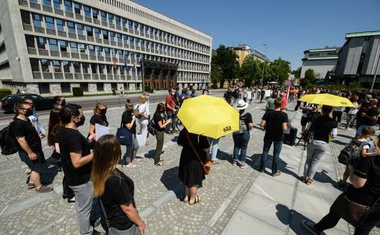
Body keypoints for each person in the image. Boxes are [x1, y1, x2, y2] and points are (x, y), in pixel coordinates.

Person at [302, 143, 380, 235]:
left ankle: (317, 228)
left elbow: (357, 183)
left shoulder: (370, 161)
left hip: (358, 198)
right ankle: (317, 228)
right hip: (377, 207)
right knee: (363, 229)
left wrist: (352, 172)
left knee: (336, 213)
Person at [92, 135, 146, 235]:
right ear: (115, 152)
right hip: (123, 226)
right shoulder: (117, 180)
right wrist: (141, 223)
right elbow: (128, 209)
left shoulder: (98, 170)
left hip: (108, 219)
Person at [56, 104, 96, 234]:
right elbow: (77, 162)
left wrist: (87, 141)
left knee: (80, 206)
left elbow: (72, 150)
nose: (83, 117)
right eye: (81, 115)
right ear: (74, 118)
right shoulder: (73, 136)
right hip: (81, 179)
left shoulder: (62, 130)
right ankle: (87, 232)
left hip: (72, 177)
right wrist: (96, 154)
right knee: (84, 209)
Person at [11, 100, 53, 193]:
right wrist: (30, 152)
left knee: (36, 167)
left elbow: (27, 134)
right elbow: (21, 139)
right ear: (20, 110)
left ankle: (31, 182)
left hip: (35, 148)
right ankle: (39, 187)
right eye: (28, 109)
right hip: (30, 151)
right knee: (36, 168)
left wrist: (37, 136)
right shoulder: (17, 124)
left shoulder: (26, 119)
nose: (31, 110)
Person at [301, 105, 338, 185]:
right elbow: (333, 135)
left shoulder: (315, 118)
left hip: (312, 140)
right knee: (315, 161)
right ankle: (310, 180)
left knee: (308, 160)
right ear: (331, 111)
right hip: (323, 143)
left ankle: (304, 177)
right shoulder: (333, 122)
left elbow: (308, 127)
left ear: (322, 109)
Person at [177, 128, 210, 205]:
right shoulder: (200, 133)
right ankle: (192, 199)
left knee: (187, 177)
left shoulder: (184, 131)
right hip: (196, 160)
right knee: (194, 180)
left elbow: (179, 143)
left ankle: (186, 197)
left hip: (185, 157)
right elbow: (206, 147)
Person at [259, 97, 290, 176]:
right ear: (282, 104)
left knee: (265, 151)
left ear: (274, 104)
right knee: (276, 154)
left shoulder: (268, 113)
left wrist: (269, 123)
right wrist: (289, 126)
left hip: (268, 135)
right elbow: (284, 128)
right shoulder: (284, 115)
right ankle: (274, 171)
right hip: (278, 136)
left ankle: (261, 168)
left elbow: (262, 124)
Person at [232, 100, 254, 169]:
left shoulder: (235, 114)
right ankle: (242, 162)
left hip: (235, 132)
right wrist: (249, 129)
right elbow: (250, 125)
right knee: (244, 147)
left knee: (236, 146)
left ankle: (235, 160)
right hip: (244, 133)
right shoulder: (248, 115)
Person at [121, 99, 139, 168]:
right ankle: (128, 162)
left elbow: (138, 114)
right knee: (129, 149)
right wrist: (133, 119)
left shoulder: (131, 112)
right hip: (128, 134)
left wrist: (136, 112)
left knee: (136, 146)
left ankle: (133, 157)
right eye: (130, 108)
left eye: (132, 108)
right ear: (126, 108)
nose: (131, 109)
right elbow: (128, 127)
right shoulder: (125, 115)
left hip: (133, 133)